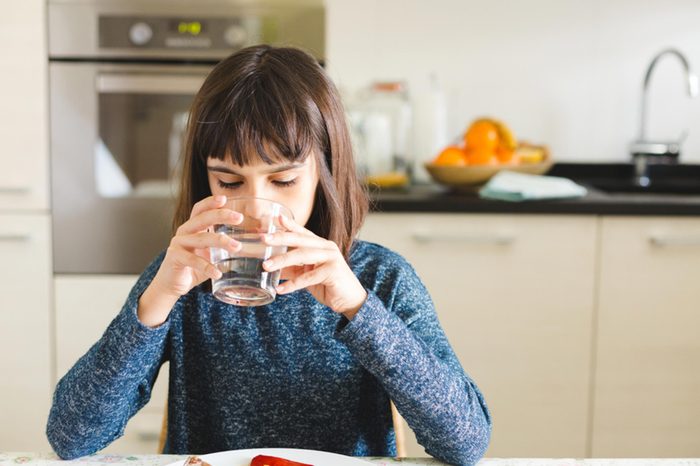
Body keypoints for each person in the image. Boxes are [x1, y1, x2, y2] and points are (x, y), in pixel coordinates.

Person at [46, 45, 491, 466]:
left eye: (283, 182)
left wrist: (358, 310)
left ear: (325, 171)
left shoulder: (378, 277)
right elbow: (71, 436)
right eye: (229, 182)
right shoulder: (182, 279)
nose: (256, 210)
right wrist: (156, 302)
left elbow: (466, 442)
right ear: (206, 181)